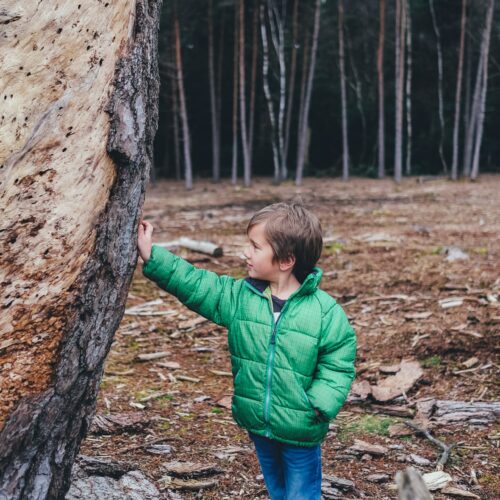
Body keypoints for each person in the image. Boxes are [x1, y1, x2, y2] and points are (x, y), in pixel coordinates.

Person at [138, 202, 356, 500]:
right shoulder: (242, 297)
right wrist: (153, 256)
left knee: (302, 494)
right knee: (277, 489)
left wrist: (317, 405)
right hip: (257, 421)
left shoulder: (324, 311)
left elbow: (339, 362)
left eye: (255, 247)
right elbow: (197, 285)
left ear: (286, 260)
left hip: (301, 427)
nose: (245, 252)